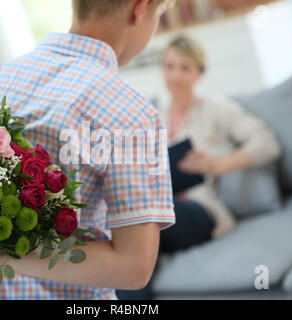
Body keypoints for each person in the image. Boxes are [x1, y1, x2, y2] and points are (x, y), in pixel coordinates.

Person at [0, 0, 176, 300]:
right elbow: (133, 267)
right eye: (160, 15)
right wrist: (7, 254)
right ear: (141, 8)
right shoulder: (130, 113)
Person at [116, 35, 281, 300]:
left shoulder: (216, 109)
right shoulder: (151, 114)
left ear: (199, 73)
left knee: (143, 220)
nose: (175, 76)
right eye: (170, 67)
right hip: (157, 206)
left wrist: (218, 165)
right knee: (133, 224)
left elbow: (267, 142)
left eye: (185, 68)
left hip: (199, 209)